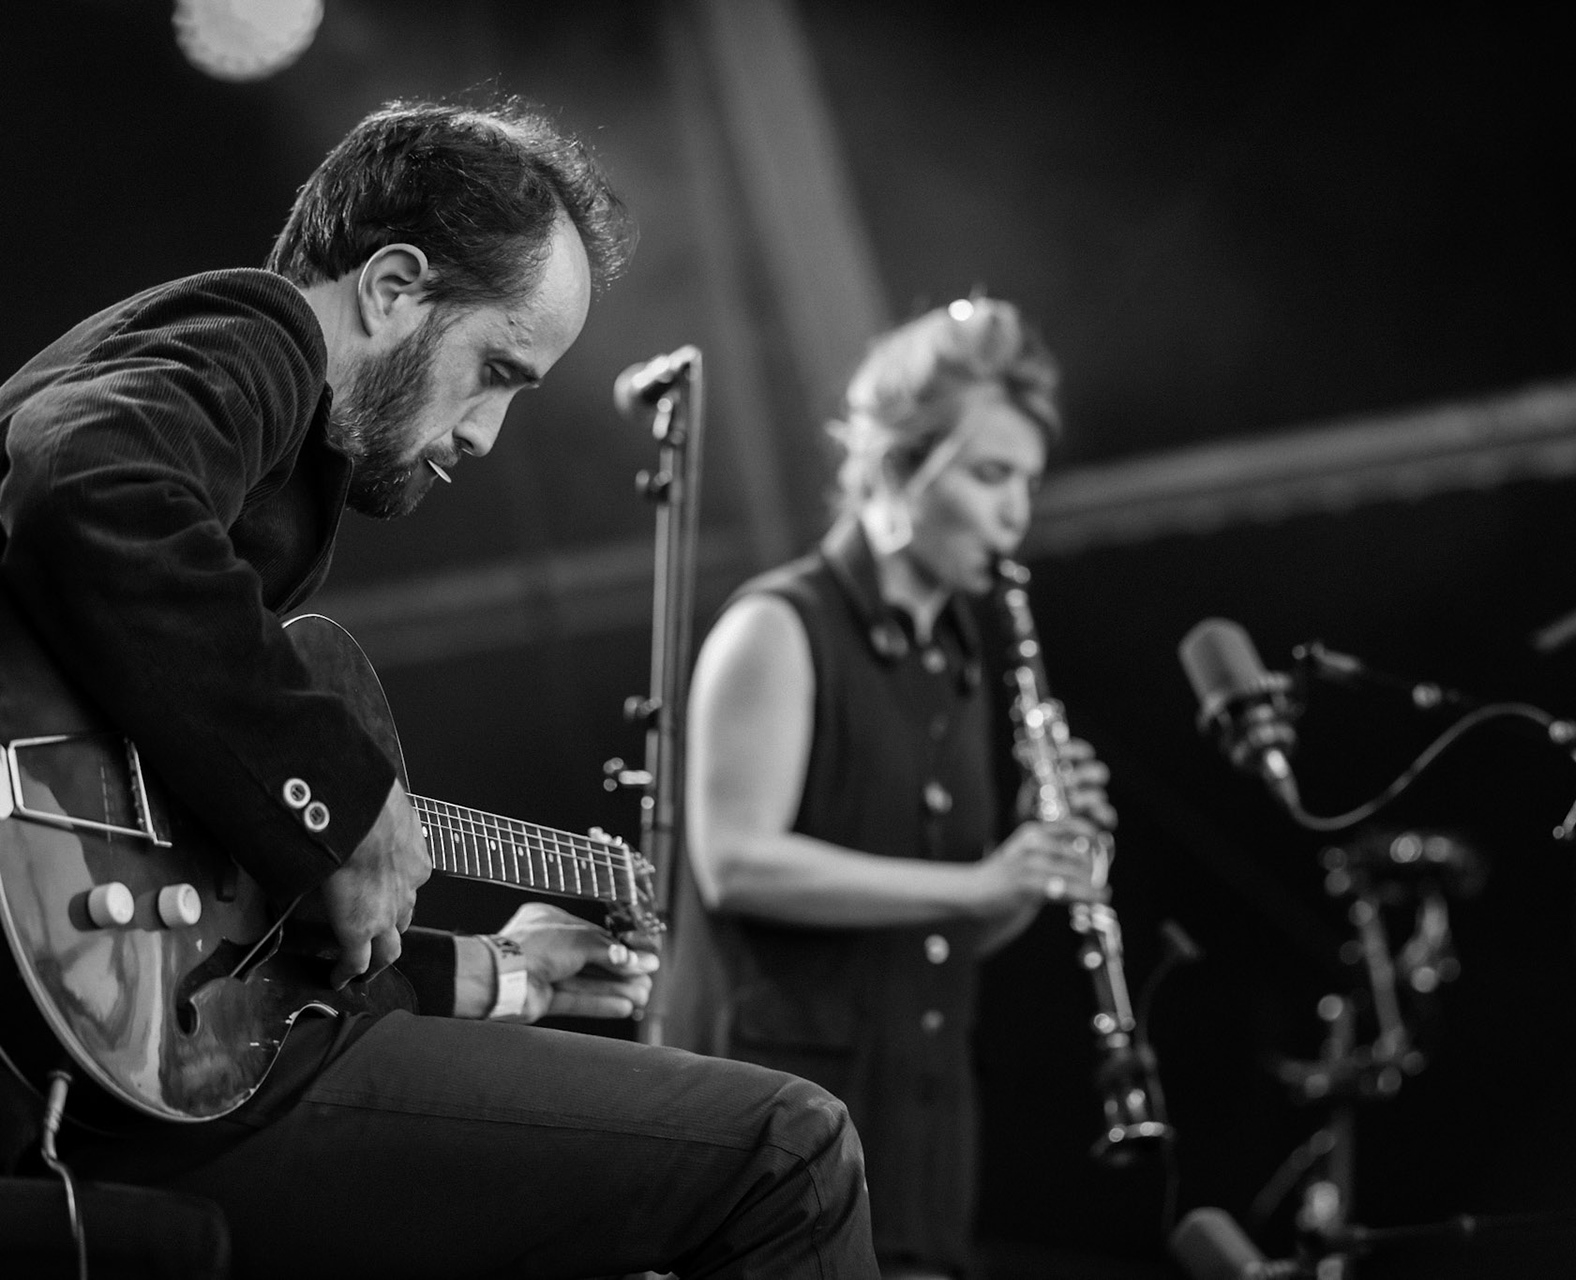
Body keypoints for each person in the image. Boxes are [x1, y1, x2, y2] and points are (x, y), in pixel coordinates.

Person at [0, 98, 875, 1279]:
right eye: (497, 370)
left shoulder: (260, 481)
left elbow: (220, 950)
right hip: (71, 1072)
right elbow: (84, 480)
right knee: (790, 1147)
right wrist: (342, 796)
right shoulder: (254, 335)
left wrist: (506, 970)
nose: (490, 433)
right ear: (392, 287)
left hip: (105, 1059)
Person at [656, 297, 1115, 1279]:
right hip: (771, 1154)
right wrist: (980, 883)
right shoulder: (778, 625)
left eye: (1027, 483)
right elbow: (735, 861)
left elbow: (954, 924)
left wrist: (1034, 864)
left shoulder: (956, 663)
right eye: (991, 475)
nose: (1015, 514)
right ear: (896, 468)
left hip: (919, 1147)